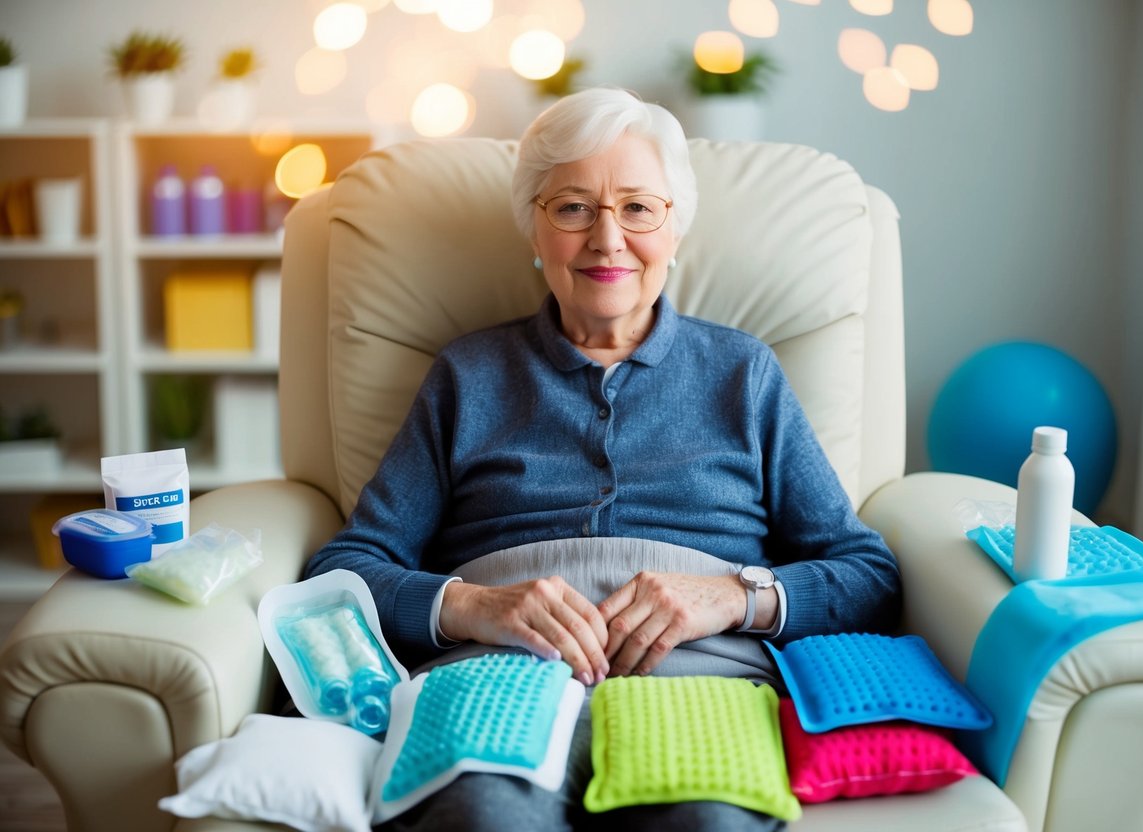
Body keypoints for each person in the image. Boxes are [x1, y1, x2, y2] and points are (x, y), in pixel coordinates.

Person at [304, 87, 901, 831]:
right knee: (484, 819)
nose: (607, 239)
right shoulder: (469, 374)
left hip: (701, 678)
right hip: (497, 674)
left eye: (638, 208)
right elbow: (343, 569)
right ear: (534, 226)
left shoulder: (743, 373)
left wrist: (731, 596)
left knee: (707, 822)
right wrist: (472, 605)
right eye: (573, 207)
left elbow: (866, 575)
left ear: (674, 227)